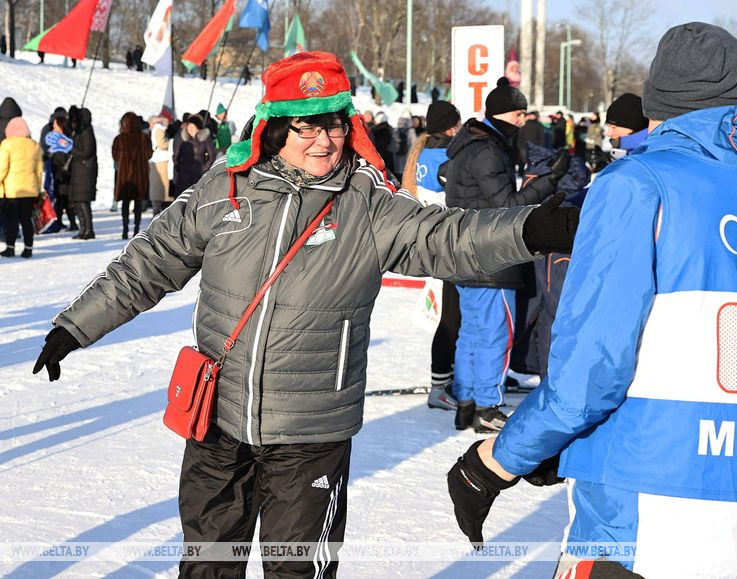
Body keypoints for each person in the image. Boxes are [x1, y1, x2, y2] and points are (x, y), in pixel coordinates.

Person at [32, 51, 579, 578]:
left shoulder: (365, 200)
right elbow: (152, 260)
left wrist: (527, 230)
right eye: (307, 126)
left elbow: (445, 237)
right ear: (274, 128)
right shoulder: (227, 187)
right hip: (218, 421)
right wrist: (76, 325)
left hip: (311, 431)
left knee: (298, 570)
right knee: (206, 566)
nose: (324, 140)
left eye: (335, 125)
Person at [447, 22, 737, 579]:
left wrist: (494, 463)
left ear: (658, 100)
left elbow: (591, 371)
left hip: (650, 518)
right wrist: (569, 448)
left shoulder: (638, 183)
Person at [445, 83, 569, 433]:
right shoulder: (486, 151)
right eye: (519, 114)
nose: (523, 120)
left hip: (466, 253)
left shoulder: (473, 145)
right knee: (495, 335)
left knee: (472, 332)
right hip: (491, 257)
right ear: (502, 114)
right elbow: (508, 207)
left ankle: (467, 401)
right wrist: (550, 180)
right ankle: (487, 405)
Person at [401, 101, 463, 410]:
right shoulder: (447, 157)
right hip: (448, 243)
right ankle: (441, 385)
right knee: (453, 319)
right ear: (451, 128)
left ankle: (448, 379)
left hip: (431, 240)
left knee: (452, 316)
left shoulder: (421, 152)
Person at [0, 117, 42, 258]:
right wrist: (38, 189)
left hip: (12, 190)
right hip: (30, 190)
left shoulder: (7, 144)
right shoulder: (34, 145)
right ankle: (28, 249)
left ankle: (10, 248)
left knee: (11, 220)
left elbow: (2, 168)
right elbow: (39, 171)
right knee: (26, 220)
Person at [112, 112, 152, 239]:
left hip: (125, 178)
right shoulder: (144, 138)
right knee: (138, 203)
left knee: (125, 203)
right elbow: (149, 154)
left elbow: (115, 156)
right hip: (140, 176)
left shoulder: (119, 139)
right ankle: (136, 229)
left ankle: (125, 230)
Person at [67, 106, 97, 240]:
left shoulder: (87, 132)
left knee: (83, 201)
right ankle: (83, 229)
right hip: (80, 171)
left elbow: (86, 152)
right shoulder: (80, 132)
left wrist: (71, 148)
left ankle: (88, 230)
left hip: (85, 172)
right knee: (79, 201)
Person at [45, 116, 76, 231]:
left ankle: (65, 223)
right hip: (60, 175)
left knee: (62, 199)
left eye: (55, 125)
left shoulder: (64, 143)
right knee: (61, 199)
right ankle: (63, 222)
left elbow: (62, 159)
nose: (53, 128)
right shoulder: (61, 142)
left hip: (62, 175)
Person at [603, 93, 649, 161]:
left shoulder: (647, 158)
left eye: (614, 127)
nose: (608, 133)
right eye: (609, 127)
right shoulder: (628, 154)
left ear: (634, 126)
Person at [148, 115, 172, 215]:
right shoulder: (159, 129)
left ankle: (157, 211)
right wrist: (171, 142)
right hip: (162, 160)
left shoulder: (157, 129)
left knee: (157, 189)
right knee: (162, 190)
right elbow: (162, 144)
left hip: (158, 160)